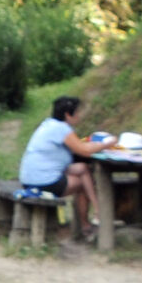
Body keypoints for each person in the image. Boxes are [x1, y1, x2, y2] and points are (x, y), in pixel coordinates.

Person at [17, 95, 102, 240]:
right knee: (82, 184)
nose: (79, 116)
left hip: (29, 179)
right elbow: (84, 150)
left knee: (82, 168)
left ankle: (96, 212)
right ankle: (86, 225)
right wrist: (108, 143)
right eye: (77, 112)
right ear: (68, 115)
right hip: (42, 183)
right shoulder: (62, 129)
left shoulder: (49, 124)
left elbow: (79, 147)